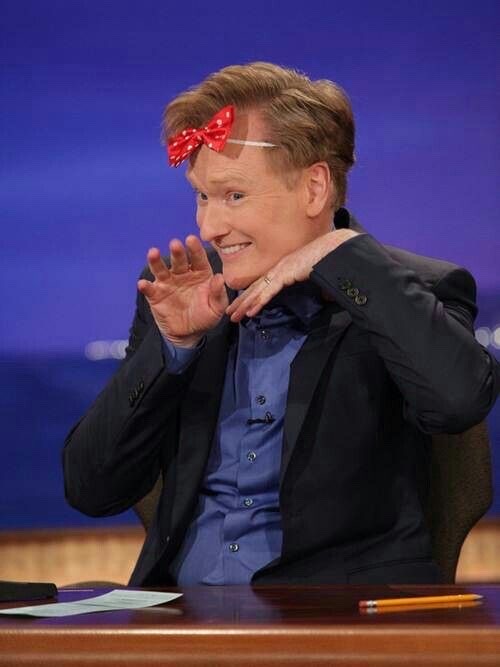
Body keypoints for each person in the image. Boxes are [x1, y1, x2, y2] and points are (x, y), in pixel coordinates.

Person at [63, 62, 499, 586]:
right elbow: (91, 489)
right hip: (178, 626)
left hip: (334, 631)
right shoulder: (187, 291)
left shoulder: (416, 290)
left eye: (234, 196)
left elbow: (458, 402)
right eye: (202, 196)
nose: (209, 226)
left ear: (315, 189)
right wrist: (174, 347)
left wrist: (345, 260)